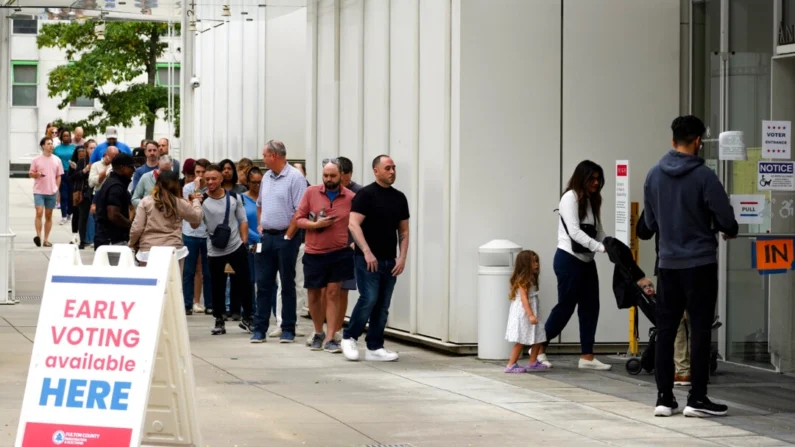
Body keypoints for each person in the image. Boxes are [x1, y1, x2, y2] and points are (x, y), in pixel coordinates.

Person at [644, 115, 737, 418]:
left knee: (666, 330)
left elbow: (649, 223)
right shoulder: (705, 177)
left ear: (673, 141)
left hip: (668, 265)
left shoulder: (654, 175)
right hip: (700, 264)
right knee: (699, 331)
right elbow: (726, 220)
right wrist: (724, 227)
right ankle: (696, 398)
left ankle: (663, 398)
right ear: (698, 141)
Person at [539, 160, 611, 371]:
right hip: (568, 260)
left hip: (587, 261)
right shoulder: (569, 198)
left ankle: (587, 356)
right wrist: (599, 247)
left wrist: (611, 245)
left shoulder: (591, 200)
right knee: (566, 306)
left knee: (591, 307)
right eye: (593, 178)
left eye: (599, 179)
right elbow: (574, 232)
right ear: (582, 178)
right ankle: (539, 347)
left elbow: (599, 230)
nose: (597, 183)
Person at [342, 155, 409, 362]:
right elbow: (353, 224)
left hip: (389, 260)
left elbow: (404, 231)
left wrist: (402, 257)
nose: (392, 172)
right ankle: (349, 336)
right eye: (387, 168)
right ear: (376, 171)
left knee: (383, 304)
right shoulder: (365, 195)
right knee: (369, 298)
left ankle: (375, 346)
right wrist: (367, 251)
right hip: (367, 259)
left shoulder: (399, 198)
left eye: (394, 168)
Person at [295, 159, 355, 354]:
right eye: (326, 175)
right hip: (314, 251)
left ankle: (331, 336)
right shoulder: (311, 192)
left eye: (333, 176)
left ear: (342, 176)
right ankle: (318, 331)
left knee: (333, 293)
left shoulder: (351, 197)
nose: (329, 179)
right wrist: (315, 225)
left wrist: (354, 242)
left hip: (339, 252)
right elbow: (299, 219)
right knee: (313, 294)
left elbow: (360, 222)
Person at [252, 140, 307, 343]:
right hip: (266, 237)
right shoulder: (266, 176)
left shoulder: (295, 177)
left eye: (265, 155)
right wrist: (260, 225)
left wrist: (288, 235)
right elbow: (259, 205)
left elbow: (300, 211)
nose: (263, 159)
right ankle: (259, 329)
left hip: (286, 237)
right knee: (263, 284)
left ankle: (288, 329)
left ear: (274, 156)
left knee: (287, 284)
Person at [201, 165, 254, 335]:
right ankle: (219, 319)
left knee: (245, 282)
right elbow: (194, 223)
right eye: (207, 179)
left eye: (213, 178)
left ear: (221, 179)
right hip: (214, 249)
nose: (210, 182)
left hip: (235, 246)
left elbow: (243, 220)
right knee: (217, 285)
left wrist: (244, 242)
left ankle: (248, 317)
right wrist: (193, 204)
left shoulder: (234, 197)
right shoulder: (201, 199)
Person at [129, 170, 203, 271]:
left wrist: (131, 243)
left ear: (157, 183)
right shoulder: (179, 203)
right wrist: (195, 201)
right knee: (173, 285)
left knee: (150, 284)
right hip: (173, 250)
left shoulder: (145, 202)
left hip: (148, 250)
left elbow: (137, 228)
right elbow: (197, 217)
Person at [504, 250, 548, 373]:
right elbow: (524, 299)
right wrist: (530, 315)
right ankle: (511, 364)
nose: (536, 264)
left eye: (537, 261)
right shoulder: (523, 279)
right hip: (524, 313)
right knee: (522, 339)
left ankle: (533, 361)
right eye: (533, 262)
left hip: (532, 311)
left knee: (538, 336)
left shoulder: (531, 278)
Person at [183, 159, 213, 315]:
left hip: (207, 233)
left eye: (203, 172)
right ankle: (187, 304)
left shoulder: (211, 189)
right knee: (189, 270)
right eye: (198, 172)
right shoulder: (187, 188)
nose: (200, 176)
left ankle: (209, 303)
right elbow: (186, 209)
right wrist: (195, 189)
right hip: (190, 232)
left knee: (207, 271)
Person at [94, 153, 136, 254]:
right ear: (122, 167)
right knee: (115, 269)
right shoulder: (116, 187)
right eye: (131, 167)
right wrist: (129, 225)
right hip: (112, 241)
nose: (133, 171)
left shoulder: (111, 182)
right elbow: (113, 215)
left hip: (106, 239)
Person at [29, 137, 64, 247]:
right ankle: (38, 237)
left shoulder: (57, 160)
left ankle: (46, 239)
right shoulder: (36, 160)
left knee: (49, 215)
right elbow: (30, 174)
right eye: (48, 144)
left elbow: (59, 176)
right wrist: (36, 174)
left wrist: (56, 189)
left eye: (51, 144)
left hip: (51, 191)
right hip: (39, 190)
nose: (51, 146)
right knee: (39, 212)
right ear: (43, 146)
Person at [242, 168, 265, 315]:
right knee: (250, 279)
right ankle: (250, 311)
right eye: (254, 182)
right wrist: (257, 238)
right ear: (248, 182)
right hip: (250, 243)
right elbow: (241, 222)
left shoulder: (266, 198)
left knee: (264, 279)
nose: (257, 185)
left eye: (259, 182)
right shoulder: (242, 199)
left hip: (265, 243)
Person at [67, 146, 92, 248]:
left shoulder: (95, 161)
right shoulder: (80, 163)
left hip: (90, 191)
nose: (81, 153)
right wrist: (82, 170)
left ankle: (87, 238)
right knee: (78, 215)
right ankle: (78, 237)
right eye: (79, 152)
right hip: (80, 192)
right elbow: (71, 177)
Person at [53, 129, 76, 225]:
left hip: (71, 173)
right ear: (61, 137)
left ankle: (69, 213)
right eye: (64, 136)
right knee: (63, 196)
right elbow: (53, 160)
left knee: (71, 196)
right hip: (61, 173)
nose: (66, 138)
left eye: (68, 136)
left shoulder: (73, 148)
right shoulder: (57, 148)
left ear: (70, 137)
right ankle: (63, 216)